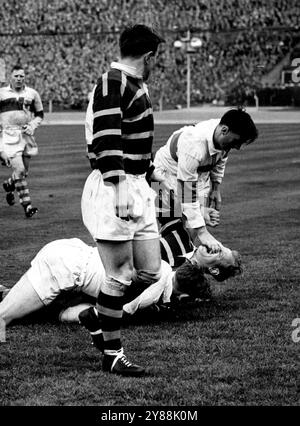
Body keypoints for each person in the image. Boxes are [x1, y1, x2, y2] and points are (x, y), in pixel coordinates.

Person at [81, 24, 167, 376]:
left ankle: (96, 317)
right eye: (155, 60)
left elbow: (133, 139)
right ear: (148, 56)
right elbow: (106, 138)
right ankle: (112, 354)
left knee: (151, 271)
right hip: (114, 187)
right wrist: (118, 188)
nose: (155, 66)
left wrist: (151, 174)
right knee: (118, 274)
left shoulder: (133, 84)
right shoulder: (112, 82)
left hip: (137, 185)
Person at [0, 237, 242, 331]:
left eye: (220, 253)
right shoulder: (182, 238)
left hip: (78, 277)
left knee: (40, 309)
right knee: (8, 315)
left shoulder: (187, 282)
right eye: (221, 244)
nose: (216, 245)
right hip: (74, 267)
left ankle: (10, 294)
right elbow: (163, 194)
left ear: (213, 269)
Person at [153, 107, 258, 255]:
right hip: (163, 176)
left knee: (189, 233)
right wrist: (203, 232)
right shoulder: (194, 144)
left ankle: (178, 267)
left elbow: (221, 160)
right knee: (173, 230)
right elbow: (186, 191)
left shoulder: (223, 138)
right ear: (224, 130)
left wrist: (216, 188)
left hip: (197, 177)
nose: (238, 147)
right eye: (236, 141)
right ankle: (157, 268)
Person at [0, 65, 44, 218]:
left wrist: (32, 125)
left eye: (21, 76)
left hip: (26, 136)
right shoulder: (1, 94)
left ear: (25, 77)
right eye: (16, 76)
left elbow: (39, 114)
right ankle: (27, 206)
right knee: (19, 170)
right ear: (10, 77)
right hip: (8, 135)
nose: (19, 79)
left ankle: (9, 184)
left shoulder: (32, 94)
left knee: (23, 172)